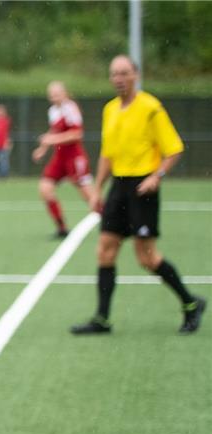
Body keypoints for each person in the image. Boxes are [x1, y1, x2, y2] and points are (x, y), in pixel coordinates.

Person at [71, 55, 205, 336]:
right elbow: (107, 155)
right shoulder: (110, 110)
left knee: (147, 257)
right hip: (118, 187)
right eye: (114, 74)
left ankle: (191, 304)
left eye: (124, 73)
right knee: (105, 250)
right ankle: (102, 319)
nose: (118, 78)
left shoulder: (151, 108)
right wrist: (97, 190)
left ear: (136, 75)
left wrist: (157, 176)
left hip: (142, 188)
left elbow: (174, 149)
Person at [32, 82, 97, 238]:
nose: (54, 97)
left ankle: (112, 224)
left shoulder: (71, 108)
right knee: (45, 189)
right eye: (51, 94)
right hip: (59, 157)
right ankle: (62, 227)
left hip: (74, 157)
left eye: (57, 94)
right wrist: (42, 149)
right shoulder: (53, 111)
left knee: (89, 196)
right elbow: (53, 132)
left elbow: (77, 134)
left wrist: (52, 140)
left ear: (65, 93)